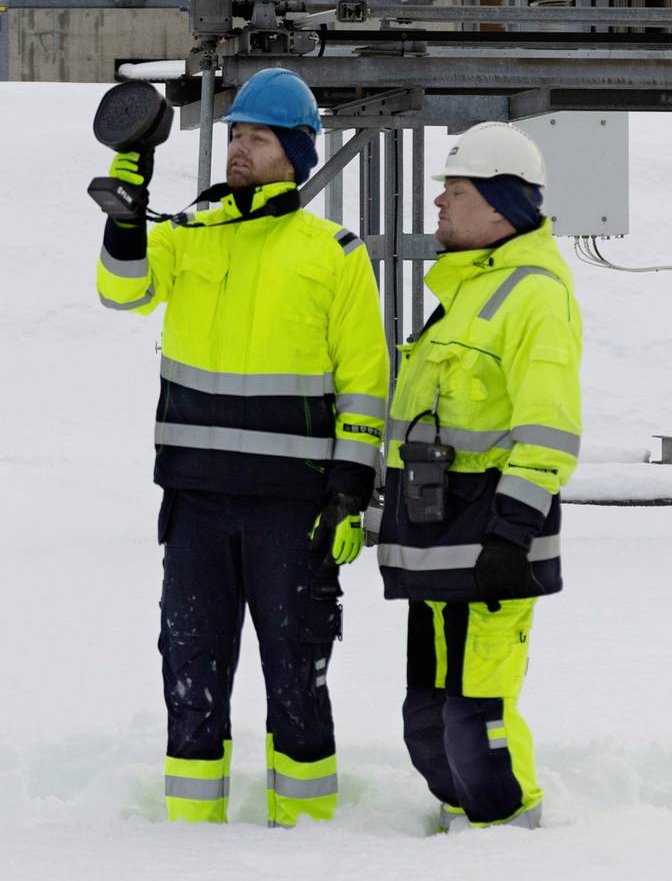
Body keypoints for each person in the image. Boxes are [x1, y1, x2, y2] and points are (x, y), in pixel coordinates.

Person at [93, 68, 388, 825]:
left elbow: (364, 385)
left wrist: (350, 492)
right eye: (233, 136)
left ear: (295, 151)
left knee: (295, 673)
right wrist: (125, 215)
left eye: (257, 138)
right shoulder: (192, 235)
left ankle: (308, 829)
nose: (239, 150)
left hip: (293, 510)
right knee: (190, 666)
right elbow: (121, 288)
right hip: (194, 501)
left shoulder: (335, 254)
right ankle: (191, 834)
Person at [373, 121, 584, 830]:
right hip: (439, 545)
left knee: (474, 720)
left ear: (499, 206)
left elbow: (548, 430)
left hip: (490, 548)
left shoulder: (535, 296)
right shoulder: (465, 292)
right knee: (426, 720)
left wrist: (512, 533)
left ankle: (512, 838)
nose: (438, 204)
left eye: (453, 192)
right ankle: (464, 830)